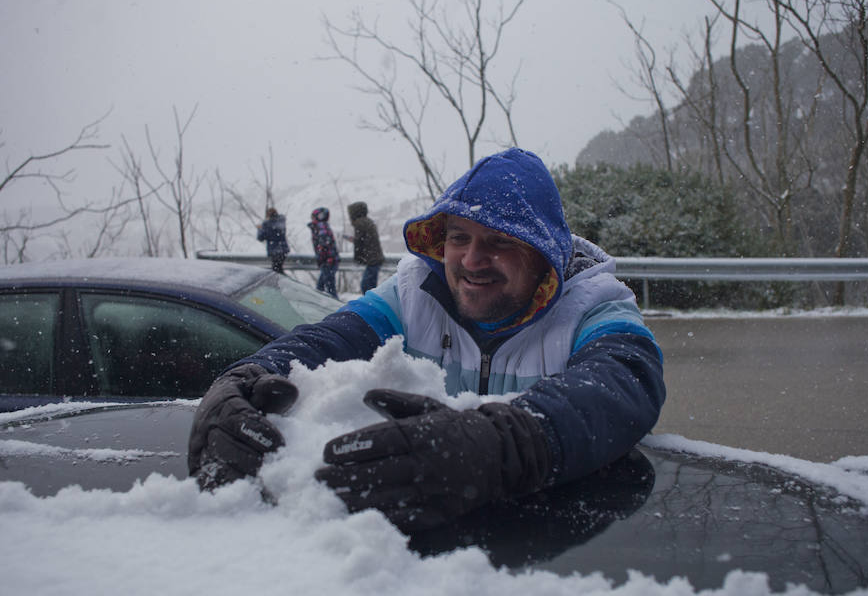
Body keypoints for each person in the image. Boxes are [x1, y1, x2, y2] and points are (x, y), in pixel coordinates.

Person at [188, 148, 666, 533]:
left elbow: (625, 382)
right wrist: (243, 378)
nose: (472, 260)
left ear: (545, 252)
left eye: (500, 242)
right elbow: (328, 338)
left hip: (548, 554)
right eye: (459, 237)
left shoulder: (595, 303)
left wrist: (504, 446)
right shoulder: (414, 293)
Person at [344, 201, 385, 293]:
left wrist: (358, 258)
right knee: (370, 286)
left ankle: (371, 305)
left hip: (372, 259)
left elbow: (359, 243)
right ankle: (372, 304)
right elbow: (365, 240)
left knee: (366, 287)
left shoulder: (359, 223)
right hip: (375, 257)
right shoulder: (367, 221)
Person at [307, 207, 339, 298]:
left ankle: (335, 308)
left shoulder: (321, 227)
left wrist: (322, 259)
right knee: (322, 287)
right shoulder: (322, 226)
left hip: (328, 261)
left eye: (313, 217)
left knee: (328, 289)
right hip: (329, 261)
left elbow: (324, 245)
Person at [256, 208, 290, 274]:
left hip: (274, 250)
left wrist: (259, 229)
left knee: (276, 270)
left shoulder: (267, 224)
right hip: (283, 249)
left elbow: (260, 237)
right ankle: (282, 282)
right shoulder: (281, 221)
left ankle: (282, 283)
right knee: (278, 268)